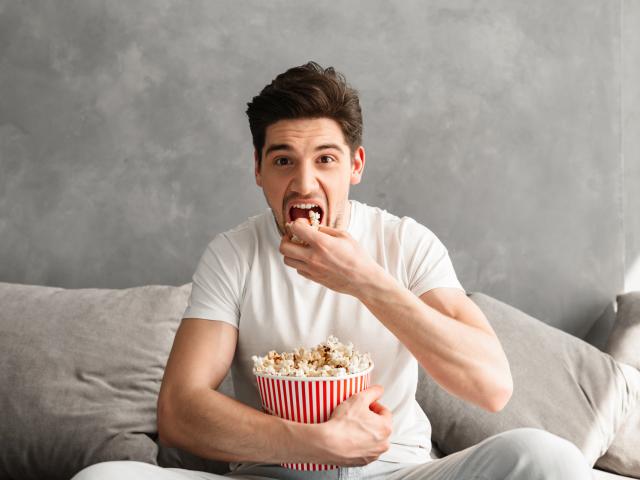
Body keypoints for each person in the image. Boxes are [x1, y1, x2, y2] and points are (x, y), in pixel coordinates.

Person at [72, 62, 591, 479]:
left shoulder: (405, 243)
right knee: (105, 477)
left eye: (324, 159)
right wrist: (316, 442)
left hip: (398, 471)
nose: (303, 183)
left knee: (549, 458)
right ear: (257, 169)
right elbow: (179, 412)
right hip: (271, 474)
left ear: (355, 166)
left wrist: (364, 280)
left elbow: (492, 386)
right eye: (282, 161)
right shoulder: (233, 255)